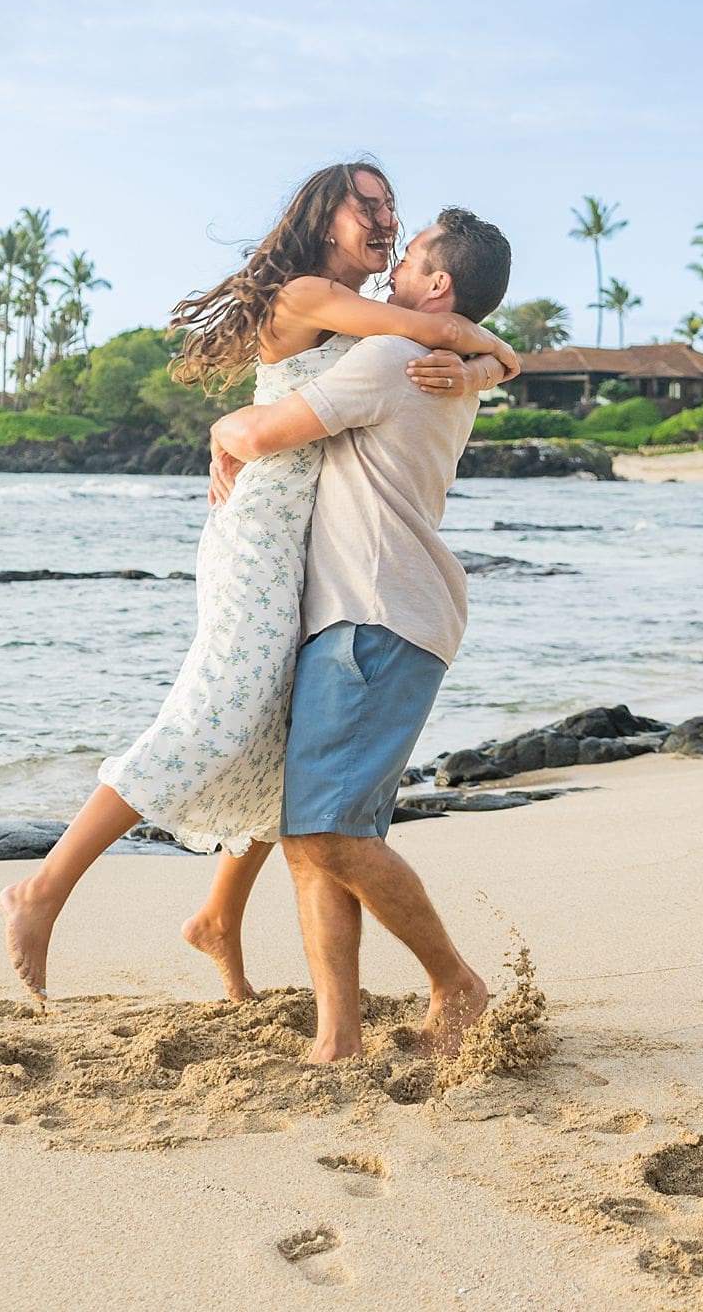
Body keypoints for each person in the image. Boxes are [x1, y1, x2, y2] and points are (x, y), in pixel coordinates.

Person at [0, 165, 517, 1007]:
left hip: (311, 540)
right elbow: (441, 325)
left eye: (395, 208)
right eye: (371, 204)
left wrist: (484, 368)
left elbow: (453, 333)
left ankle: (217, 918)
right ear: (327, 216)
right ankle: (44, 888)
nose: (388, 217)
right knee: (214, 711)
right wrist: (485, 360)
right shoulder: (315, 293)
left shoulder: (394, 337)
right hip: (266, 525)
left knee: (276, 730)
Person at [209, 206, 512, 1059]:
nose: (393, 269)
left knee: (326, 833)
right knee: (318, 835)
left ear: (439, 285)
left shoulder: (392, 357)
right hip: (364, 614)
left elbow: (262, 431)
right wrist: (497, 359)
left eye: (410, 257)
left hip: (375, 615)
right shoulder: (444, 359)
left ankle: (456, 983)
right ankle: (336, 1035)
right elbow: (487, 354)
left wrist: (220, 434)